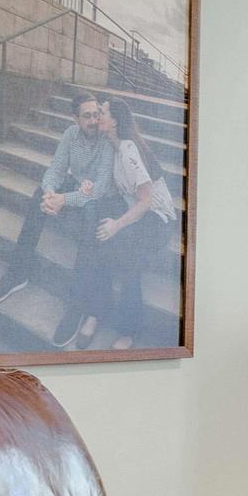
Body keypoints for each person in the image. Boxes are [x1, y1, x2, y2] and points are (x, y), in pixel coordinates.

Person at [0, 91, 117, 311]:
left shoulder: (107, 140)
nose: (94, 121)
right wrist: (50, 193)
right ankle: (18, 272)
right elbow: (56, 170)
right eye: (87, 116)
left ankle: (77, 303)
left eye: (96, 114)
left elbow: (98, 190)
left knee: (90, 215)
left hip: (100, 198)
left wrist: (62, 200)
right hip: (77, 189)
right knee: (40, 194)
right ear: (75, 119)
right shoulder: (71, 134)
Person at [64, 102, 176, 350]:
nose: (96, 118)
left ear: (114, 121)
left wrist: (117, 225)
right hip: (134, 210)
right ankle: (95, 312)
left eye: (101, 113)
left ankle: (129, 329)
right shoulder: (112, 149)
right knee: (99, 237)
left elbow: (146, 202)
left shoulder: (128, 149)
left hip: (158, 218)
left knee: (125, 250)